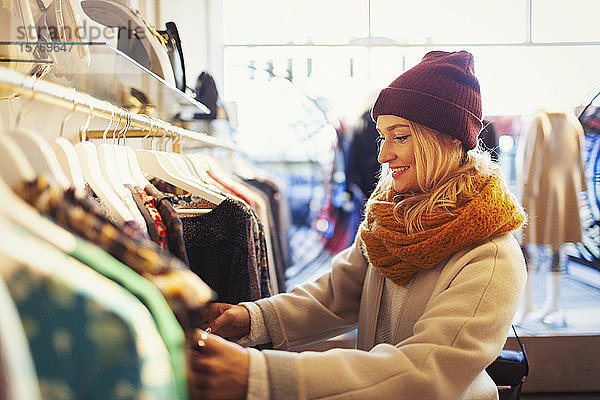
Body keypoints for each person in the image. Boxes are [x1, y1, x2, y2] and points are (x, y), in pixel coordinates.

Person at [188, 50, 528, 400]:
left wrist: (261, 376)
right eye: (383, 137)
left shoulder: (491, 256)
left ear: (449, 139)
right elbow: (339, 293)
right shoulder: (391, 221)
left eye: (400, 136)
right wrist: (253, 317)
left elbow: (426, 371)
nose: (382, 155)